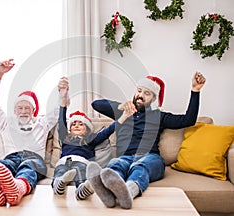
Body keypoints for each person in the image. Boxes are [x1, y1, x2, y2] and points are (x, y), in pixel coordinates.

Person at [87, 72, 206, 209]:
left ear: (154, 98)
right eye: (139, 91)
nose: (141, 95)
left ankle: (129, 192)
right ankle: (109, 194)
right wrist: (120, 107)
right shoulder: (123, 112)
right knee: (115, 163)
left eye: (147, 93)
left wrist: (195, 91)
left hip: (150, 158)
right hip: (125, 158)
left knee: (140, 165)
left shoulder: (159, 116)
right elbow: (95, 104)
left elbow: (188, 120)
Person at [0, 59, 69, 206]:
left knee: (29, 166)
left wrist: (62, 94)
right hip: (11, 158)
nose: (24, 111)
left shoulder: (42, 123)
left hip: (34, 159)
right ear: (14, 111)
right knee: (1, 165)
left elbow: (59, 110)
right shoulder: (6, 122)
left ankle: (18, 188)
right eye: (20, 108)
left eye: (27, 108)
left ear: (33, 111)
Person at [52, 78, 133, 200]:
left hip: (81, 162)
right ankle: (59, 184)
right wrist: (63, 97)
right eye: (73, 124)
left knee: (82, 174)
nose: (77, 125)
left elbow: (108, 131)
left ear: (87, 129)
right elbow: (61, 120)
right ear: (69, 130)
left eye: (81, 124)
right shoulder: (65, 138)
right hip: (64, 161)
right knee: (59, 173)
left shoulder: (90, 139)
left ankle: (82, 190)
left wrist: (124, 116)